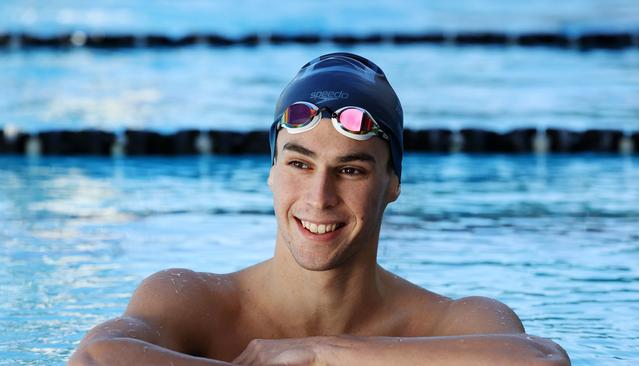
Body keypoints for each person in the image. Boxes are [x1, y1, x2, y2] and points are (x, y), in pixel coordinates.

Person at [69, 52, 570, 366]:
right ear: (270, 172)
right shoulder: (193, 299)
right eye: (300, 164)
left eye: (351, 170)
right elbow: (92, 358)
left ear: (392, 183)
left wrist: (317, 353)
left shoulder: (451, 322)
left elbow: (542, 362)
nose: (319, 197)